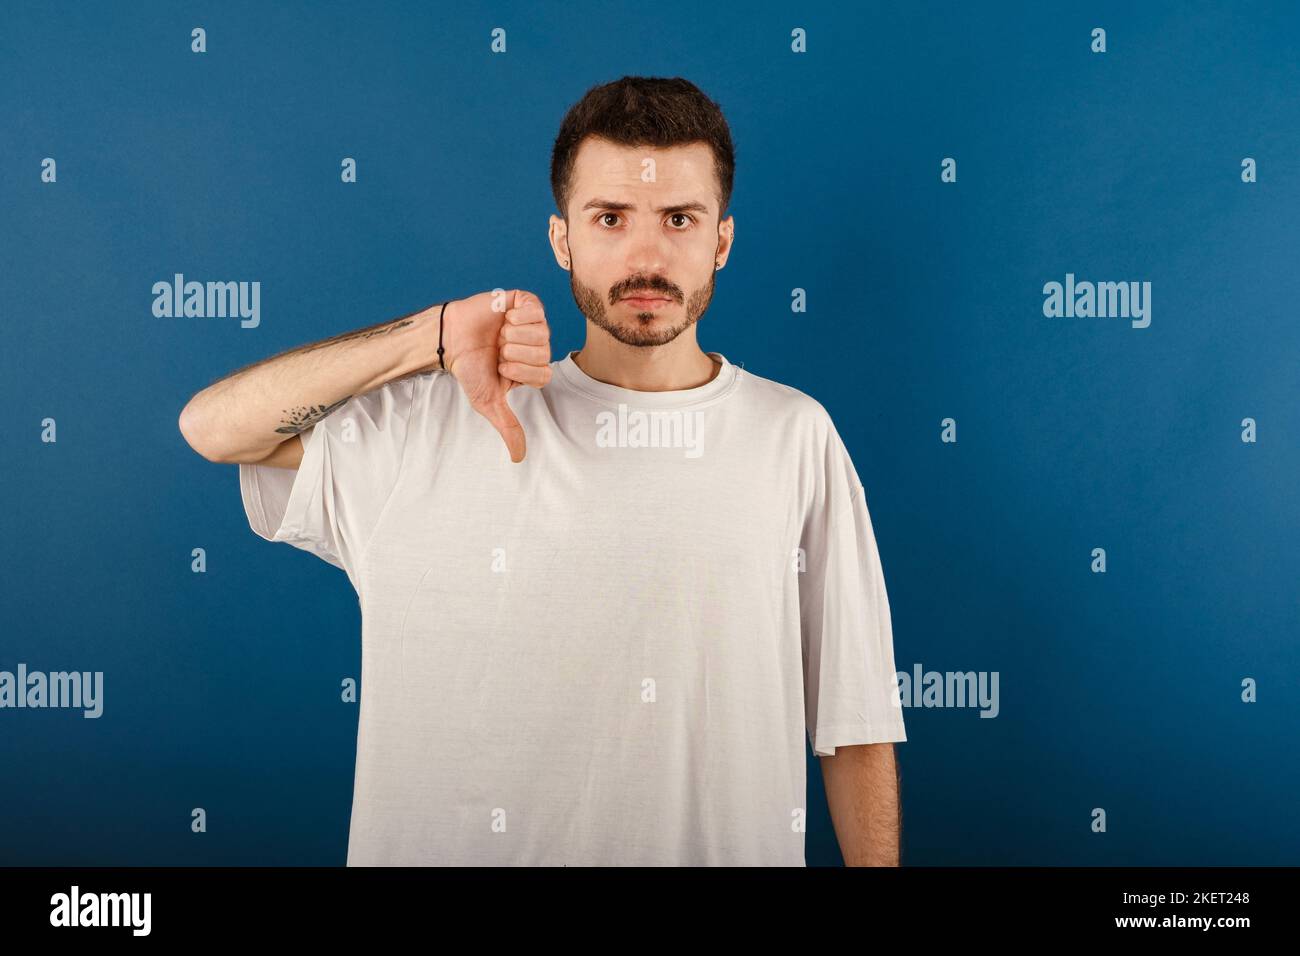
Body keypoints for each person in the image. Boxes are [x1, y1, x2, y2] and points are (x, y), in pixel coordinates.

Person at [178, 75, 906, 866]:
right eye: (610, 218)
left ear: (721, 240)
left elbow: (855, 723)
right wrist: (431, 336)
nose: (646, 255)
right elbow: (215, 429)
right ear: (562, 238)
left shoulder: (794, 438)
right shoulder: (440, 421)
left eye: (679, 219)